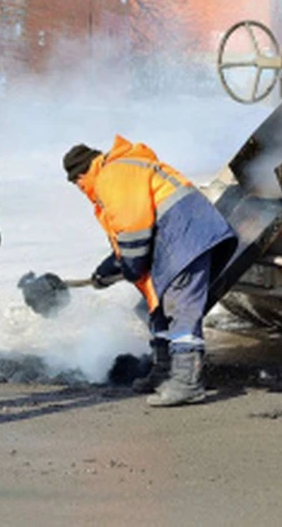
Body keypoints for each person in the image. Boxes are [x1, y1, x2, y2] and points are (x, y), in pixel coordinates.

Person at [63, 136, 237, 406]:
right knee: (155, 308)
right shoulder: (120, 171)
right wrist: (105, 272)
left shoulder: (111, 175)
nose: (81, 189)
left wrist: (130, 268)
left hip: (186, 236)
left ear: (84, 173)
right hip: (178, 236)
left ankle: (186, 382)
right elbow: (128, 241)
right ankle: (164, 371)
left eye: (78, 184)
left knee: (181, 306)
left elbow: (133, 230)